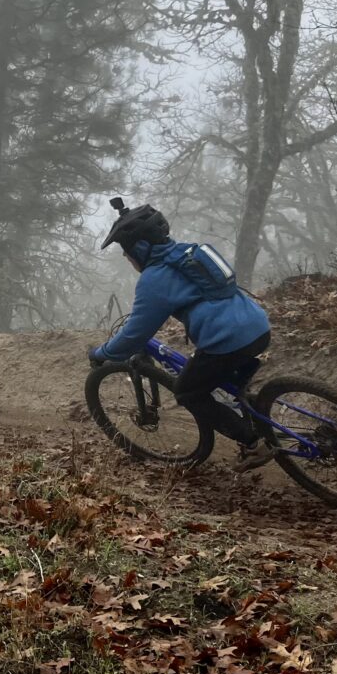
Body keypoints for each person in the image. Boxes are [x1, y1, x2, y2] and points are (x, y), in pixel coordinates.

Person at [89, 198, 276, 472]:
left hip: (226, 341)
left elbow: (134, 336)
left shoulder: (154, 278)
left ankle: (253, 445)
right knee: (219, 377)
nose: (128, 260)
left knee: (188, 392)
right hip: (257, 326)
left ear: (140, 248)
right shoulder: (190, 251)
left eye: (127, 253)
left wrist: (101, 353)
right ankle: (250, 410)